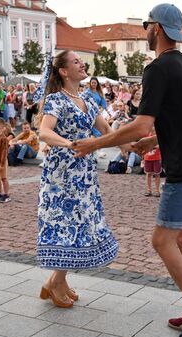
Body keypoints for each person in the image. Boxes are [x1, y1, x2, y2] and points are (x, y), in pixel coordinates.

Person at [72, 3, 182, 337]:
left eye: (146, 24)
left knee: (162, 241)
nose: (145, 30)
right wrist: (152, 140)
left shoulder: (157, 69)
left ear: (157, 29)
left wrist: (96, 143)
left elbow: (140, 122)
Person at [36, 51, 119, 309]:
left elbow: (106, 131)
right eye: (76, 62)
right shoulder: (56, 100)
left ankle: (56, 281)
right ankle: (55, 282)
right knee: (68, 223)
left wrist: (131, 145)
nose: (82, 64)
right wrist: (70, 143)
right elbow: (44, 132)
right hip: (62, 174)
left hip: (84, 172)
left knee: (81, 223)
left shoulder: (87, 99)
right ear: (63, 71)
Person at [143, 128, 162, 197]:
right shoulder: (146, 136)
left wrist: (152, 146)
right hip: (147, 158)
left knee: (157, 174)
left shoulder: (158, 136)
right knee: (148, 174)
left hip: (156, 158)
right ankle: (149, 190)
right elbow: (143, 145)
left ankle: (157, 190)